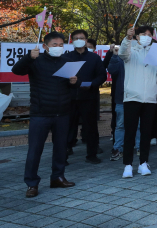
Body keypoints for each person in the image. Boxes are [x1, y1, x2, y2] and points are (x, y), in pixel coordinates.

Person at [12, 32, 78, 198]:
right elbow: (16, 70)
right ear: (45, 46)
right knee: (35, 150)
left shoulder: (67, 61)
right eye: (54, 45)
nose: (58, 48)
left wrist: (74, 82)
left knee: (61, 148)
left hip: (62, 113)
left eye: (61, 45)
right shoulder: (36, 61)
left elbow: (73, 86)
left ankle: (57, 177)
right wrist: (29, 57)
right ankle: (32, 183)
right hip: (40, 113)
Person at [119, 26, 157, 178]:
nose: (147, 36)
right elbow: (122, 53)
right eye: (143, 34)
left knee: (146, 133)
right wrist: (128, 38)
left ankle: (143, 163)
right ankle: (127, 165)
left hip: (150, 99)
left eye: (149, 34)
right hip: (132, 97)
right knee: (130, 133)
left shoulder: (155, 53)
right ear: (137, 37)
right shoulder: (131, 50)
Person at [66, 30, 107, 164]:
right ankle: (64, 153)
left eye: (81, 38)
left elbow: (102, 76)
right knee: (67, 127)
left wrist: (91, 85)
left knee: (91, 128)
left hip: (89, 97)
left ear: (86, 40)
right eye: (76, 38)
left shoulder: (94, 58)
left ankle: (92, 154)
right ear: (72, 40)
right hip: (70, 98)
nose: (79, 40)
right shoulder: (66, 57)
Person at [106, 44, 140, 161]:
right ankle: (118, 148)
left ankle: (139, 146)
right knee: (120, 125)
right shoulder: (119, 60)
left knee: (139, 125)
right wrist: (115, 56)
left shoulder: (140, 60)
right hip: (122, 98)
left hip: (138, 97)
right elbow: (111, 70)